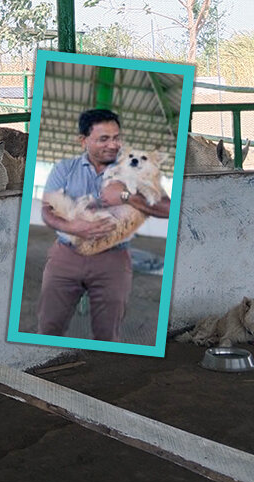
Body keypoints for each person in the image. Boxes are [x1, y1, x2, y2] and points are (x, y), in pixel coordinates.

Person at [37, 109, 171, 341]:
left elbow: (168, 208)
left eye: (116, 137)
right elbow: (47, 212)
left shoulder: (134, 168)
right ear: (83, 141)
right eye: (104, 139)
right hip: (67, 254)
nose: (113, 145)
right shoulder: (64, 169)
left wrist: (127, 197)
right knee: (48, 327)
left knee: (108, 334)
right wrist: (76, 228)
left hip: (113, 258)